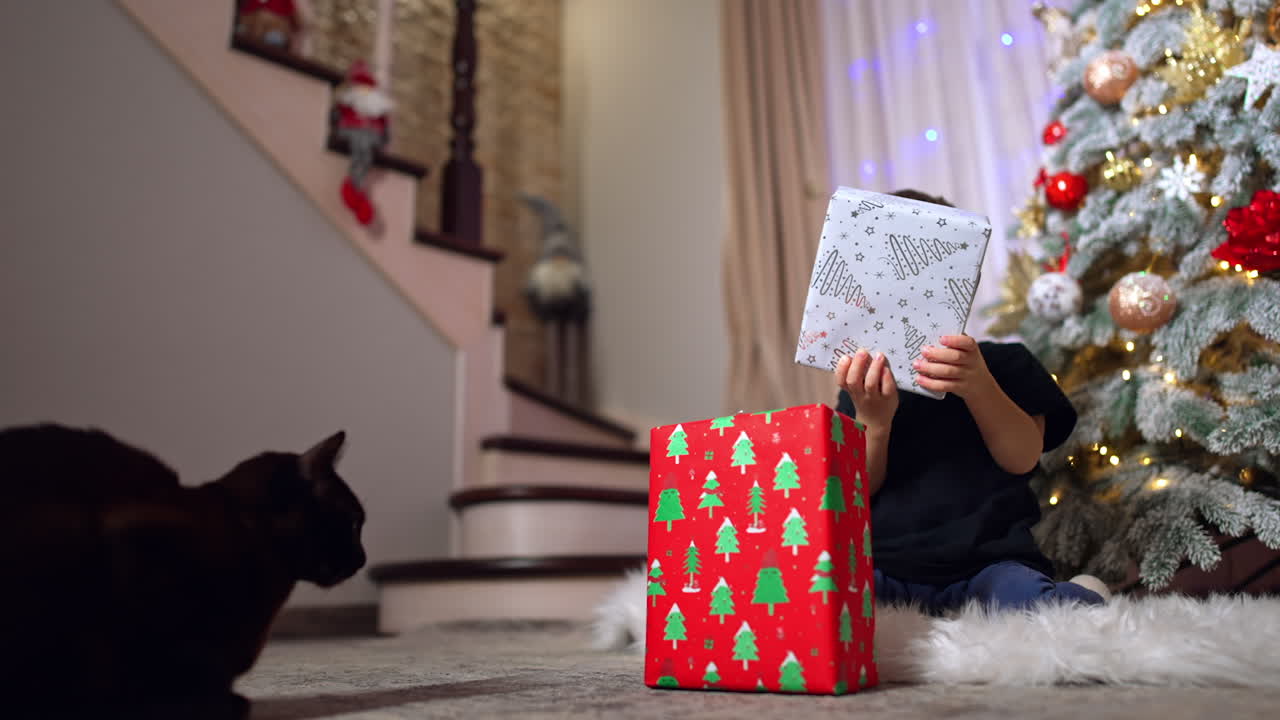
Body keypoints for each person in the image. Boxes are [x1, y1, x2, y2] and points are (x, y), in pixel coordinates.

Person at [834, 189, 1108, 615]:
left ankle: (1078, 592)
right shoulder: (866, 380)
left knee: (1052, 612)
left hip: (989, 567)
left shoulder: (1005, 364)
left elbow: (1022, 457)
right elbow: (858, 489)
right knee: (829, 605)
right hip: (887, 569)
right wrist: (875, 422)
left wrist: (979, 385)